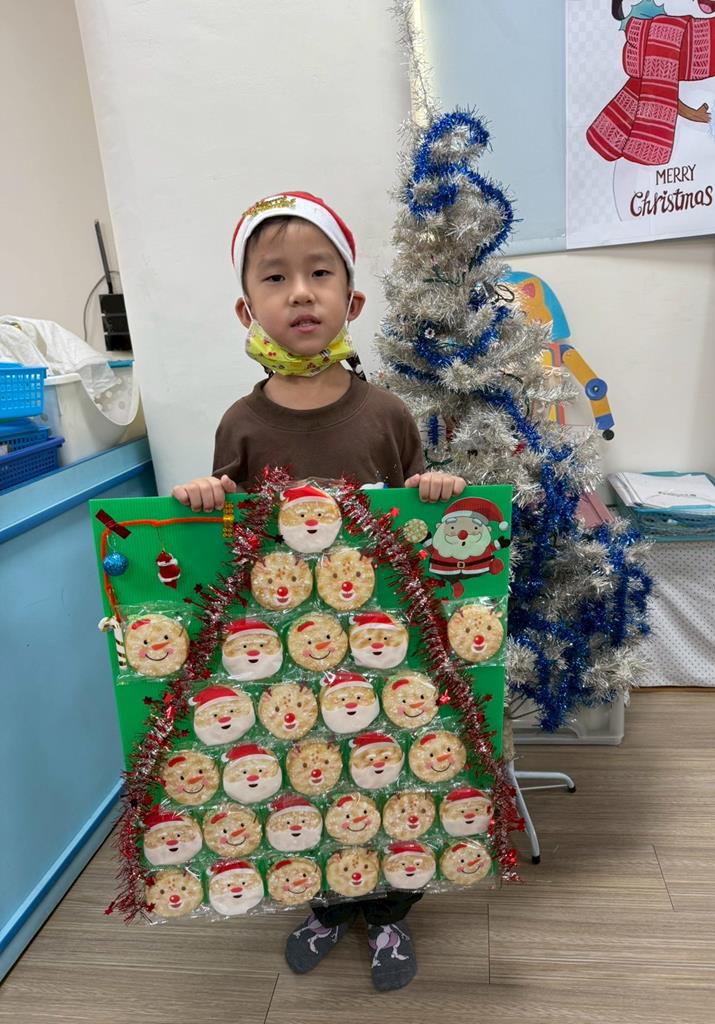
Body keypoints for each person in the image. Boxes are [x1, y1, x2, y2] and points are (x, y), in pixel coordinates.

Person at [172, 191, 466, 990]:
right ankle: (327, 903)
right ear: (247, 310)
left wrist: (434, 487)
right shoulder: (241, 422)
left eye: (319, 273)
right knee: (310, 769)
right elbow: (231, 538)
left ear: (351, 301)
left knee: (388, 771)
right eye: (275, 278)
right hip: (286, 654)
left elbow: (415, 517)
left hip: (382, 647)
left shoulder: (387, 414)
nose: (299, 293)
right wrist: (207, 498)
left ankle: (391, 911)